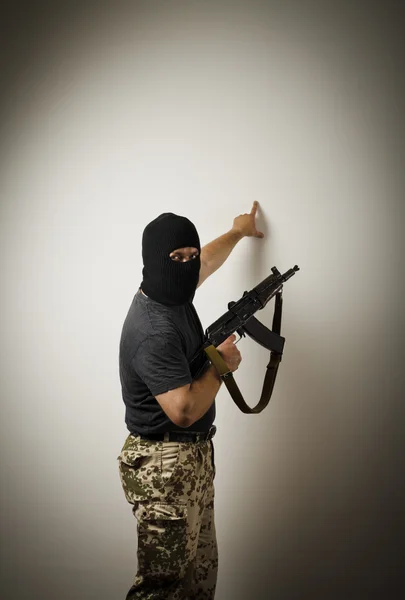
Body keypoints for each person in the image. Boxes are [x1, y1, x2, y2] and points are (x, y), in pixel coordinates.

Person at [117, 201, 264, 599]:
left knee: (199, 577)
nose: (186, 265)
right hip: (162, 466)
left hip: (191, 461)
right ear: (153, 262)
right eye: (175, 257)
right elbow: (182, 410)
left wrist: (238, 231)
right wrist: (221, 364)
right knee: (161, 589)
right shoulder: (153, 330)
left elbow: (205, 264)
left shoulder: (171, 290)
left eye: (190, 255)